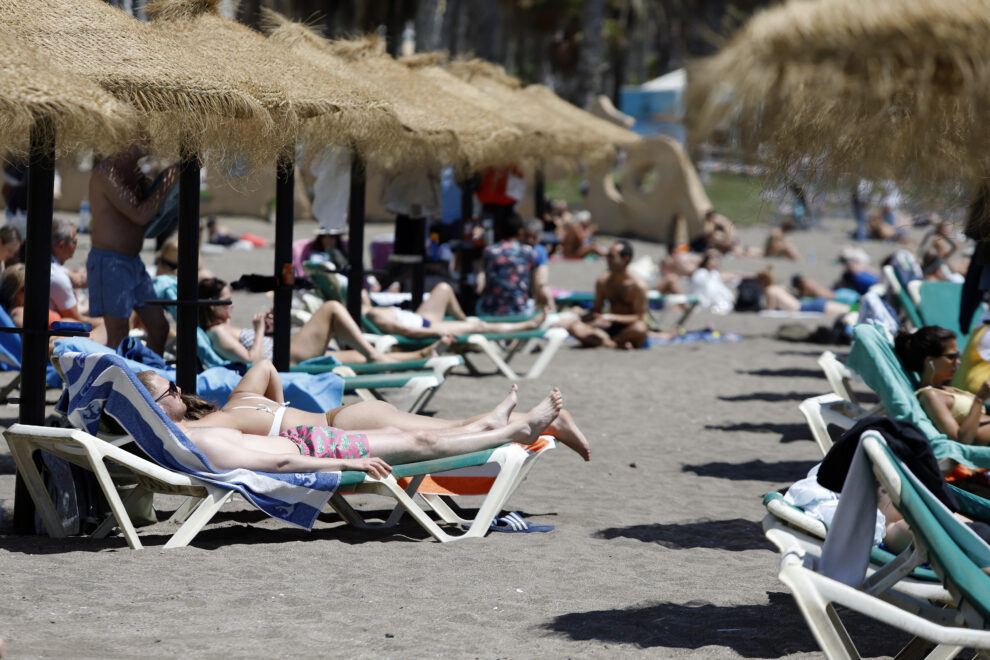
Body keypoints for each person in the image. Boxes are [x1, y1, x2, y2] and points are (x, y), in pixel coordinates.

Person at [138, 365, 568, 476]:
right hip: (316, 439)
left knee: (424, 436)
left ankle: (509, 427)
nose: (177, 389)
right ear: (152, 407)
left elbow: (278, 461)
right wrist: (282, 413)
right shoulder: (216, 421)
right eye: (168, 390)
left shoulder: (214, 421)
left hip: (315, 440)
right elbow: (277, 464)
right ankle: (510, 428)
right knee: (423, 436)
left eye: (174, 386)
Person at [199, 277, 439, 366]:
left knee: (360, 358)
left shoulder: (225, 328)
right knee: (331, 308)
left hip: (286, 351)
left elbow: (254, 349)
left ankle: (419, 357)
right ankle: (377, 355)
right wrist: (260, 331)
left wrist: (267, 328)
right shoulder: (217, 333)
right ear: (210, 304)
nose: (232, 305)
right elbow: (253, 359)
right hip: (288, 358)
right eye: (226, 301)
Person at [88, 144, 177, 354]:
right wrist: (167, 181)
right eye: (141, 133)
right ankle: (115, 385)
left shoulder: (133, 171)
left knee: (159, 327)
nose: (149, 139)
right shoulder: (106, 171)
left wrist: (155, 186)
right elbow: (140, 214)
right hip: (110, 262)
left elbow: (151, 209)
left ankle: (148, 378)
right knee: (119, 333)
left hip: (133, 261)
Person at [894, 325, 990, 445]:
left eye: (957, 356)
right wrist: (979, 399)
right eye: (951, 357)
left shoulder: (945, 389)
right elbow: (959, 441)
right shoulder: (930, 395)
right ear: (930, 361)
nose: (958, 362)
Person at [362, 282, 545, 340]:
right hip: (430, 326)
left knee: (443, 288)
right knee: (479, 325)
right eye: (363, 292)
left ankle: (463, 321)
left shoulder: (373, 309)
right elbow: (405, 331)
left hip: (421, 318)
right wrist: (440, 331)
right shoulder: (373, 314)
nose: (367, 292)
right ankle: (526, 325)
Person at [560, 240, 649, 349]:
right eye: (607, 256)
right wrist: (576, 319)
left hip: (629, 328)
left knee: (640, 328)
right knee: (574, 327)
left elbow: (639, 317)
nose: (607, 260)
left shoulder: (638, 286)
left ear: (626, 259)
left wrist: (614, 317)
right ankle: (614, 344)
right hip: (609, 327)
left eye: (611, 256)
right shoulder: (603, 281)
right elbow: (596, 310)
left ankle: (608, 342)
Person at [49, 218, 108, 343]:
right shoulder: (58, 277)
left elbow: (79, 279)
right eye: (74, 241)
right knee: (113, 326)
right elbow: (77, 319)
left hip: (60, 325)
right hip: (64, 331)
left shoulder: (52, 267)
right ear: (61, 245)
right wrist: (106, 323)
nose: (77, 245)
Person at [476, 213, 540, 316]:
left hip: (491, 311)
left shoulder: (489, 251)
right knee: (532, 303)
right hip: (521, 311)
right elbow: (534, 286)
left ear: (499, 231)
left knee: (478, 303)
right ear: (520, 232)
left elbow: (481, 287)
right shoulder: (528, 252)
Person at [756, 268, 851, 316]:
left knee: (846, 311)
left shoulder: (769, 290)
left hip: (803, 307)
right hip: (807, 303)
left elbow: (770, 309)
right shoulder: (778, 287)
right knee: (848, 309)